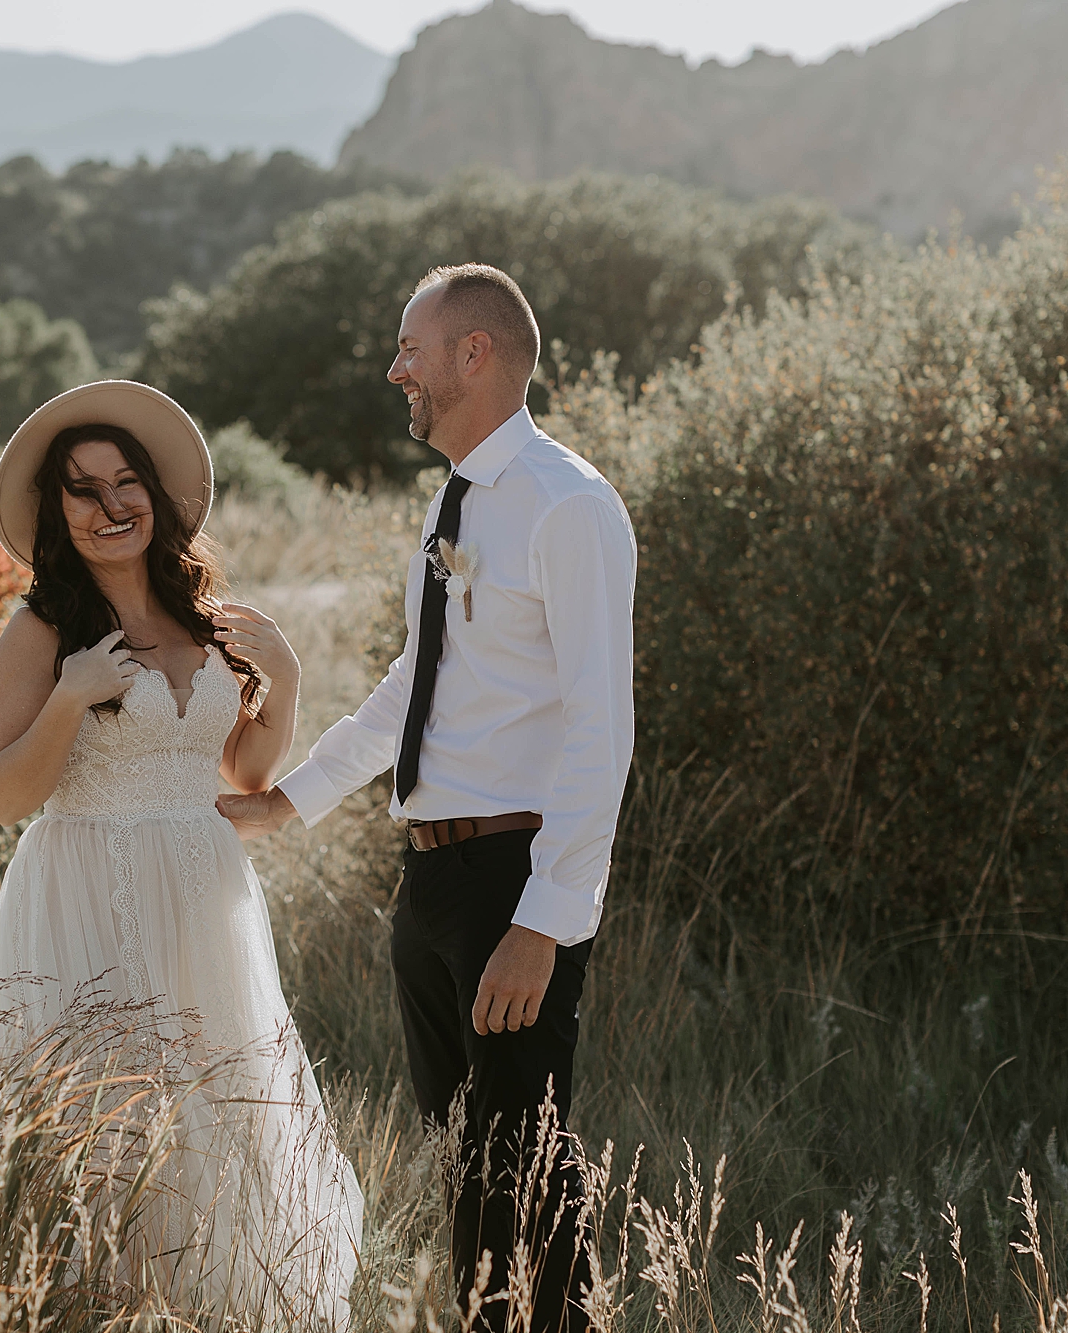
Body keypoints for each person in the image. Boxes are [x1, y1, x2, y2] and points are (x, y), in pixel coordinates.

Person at [220, 264, 636, 1331]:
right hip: (433, 883)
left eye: (411, 348)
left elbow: (601, 730)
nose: (393, 369)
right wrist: (290, 801)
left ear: (474, 353)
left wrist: (543, 922)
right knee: (472, 1165)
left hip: (513, 881)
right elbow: (419, 681)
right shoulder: (451, 504)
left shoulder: (567, 505)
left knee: (520, 1168)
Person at [0, 380, 362, 1328]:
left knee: (220, 1099)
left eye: (126, 483)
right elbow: (5, 795)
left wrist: (285, 677)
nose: (109, 506)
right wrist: (71, 695)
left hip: (203, 892)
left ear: (154, 493)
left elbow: (243, 769)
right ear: (58, 511)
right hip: (88, 887)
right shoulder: (41, 629)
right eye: (83, 490)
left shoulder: (206, 617)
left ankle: (217, 1305)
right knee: (108, 1115)